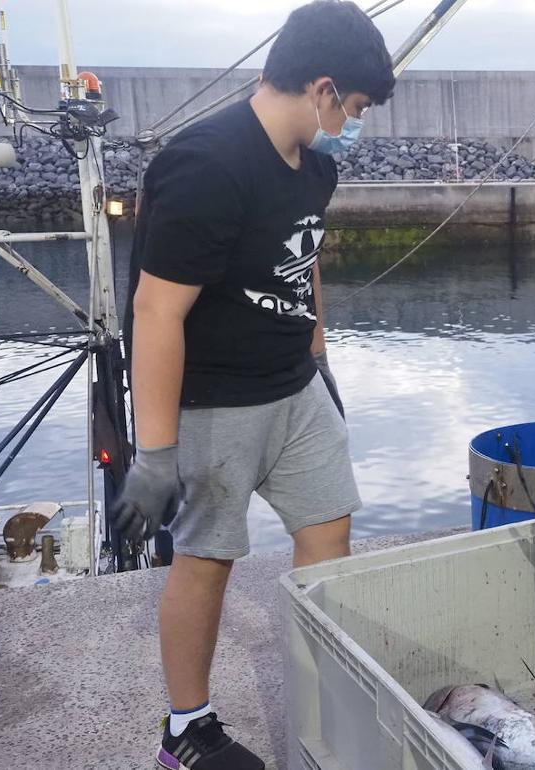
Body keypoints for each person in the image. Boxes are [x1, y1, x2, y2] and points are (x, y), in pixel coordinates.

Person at [117, 3, 394, 767]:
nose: (354, 125)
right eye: (357, 109)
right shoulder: (205, 163)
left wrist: (324, 364)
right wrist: (156, 451)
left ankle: (323, 692)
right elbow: (155, 310)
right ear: (325, 88)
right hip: (214, 398)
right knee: (207, 557)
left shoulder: (318, 166)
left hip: (295, 387)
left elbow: (302, 267)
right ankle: (187, 729)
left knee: (329, 532)